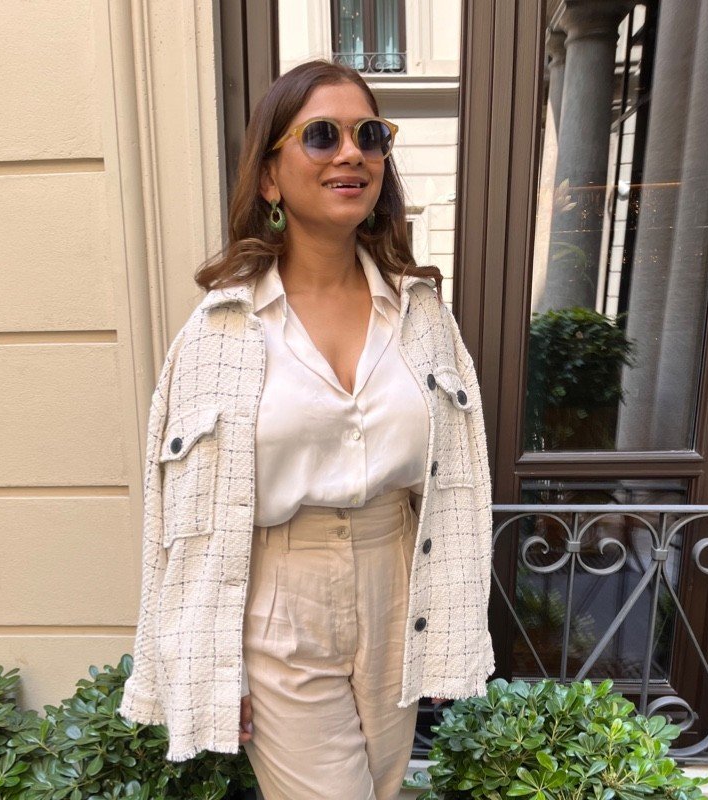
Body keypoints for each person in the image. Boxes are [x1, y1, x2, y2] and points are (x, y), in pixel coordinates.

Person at [118, 59, 495, 800]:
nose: (352, 153)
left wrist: (449, 620)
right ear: (269, 177)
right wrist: (208, 660)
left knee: (380, 789)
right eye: (322, 135)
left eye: (370, 136)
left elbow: (455, 481)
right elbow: (181, 517)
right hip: (279, 592)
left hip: (397, 582)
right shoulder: (221, 330)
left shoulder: (422, 316)